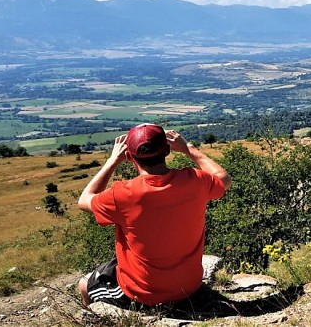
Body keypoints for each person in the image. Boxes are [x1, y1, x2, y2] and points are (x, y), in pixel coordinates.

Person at [76, 123, 230, 308]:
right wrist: (188, 148)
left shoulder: (123, 194)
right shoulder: (196, 181)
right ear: (167, 150)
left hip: (143, 294)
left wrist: (112, 161)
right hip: (189, 287)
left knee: (85, 284)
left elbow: (84, 200)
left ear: (129, 156)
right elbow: (224, 178)